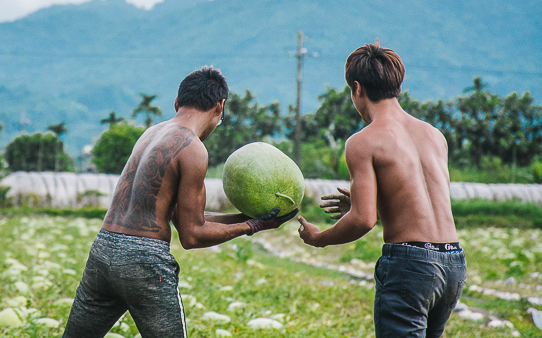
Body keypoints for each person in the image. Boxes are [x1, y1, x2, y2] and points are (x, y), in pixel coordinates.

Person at [62, 66, 297, 338]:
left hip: (103, 252)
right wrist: (252, 227)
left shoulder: (150, 134)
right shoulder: (193, 149)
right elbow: (192, 235)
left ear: (177, 102)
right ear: (219, 106)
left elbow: (181, 216)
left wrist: (249, 219)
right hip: (144, 263)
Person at [297, 41, 466, 338]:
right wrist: (374, 206)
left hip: (410, 267)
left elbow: (363, 221)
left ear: (357, 89)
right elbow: (421, 209)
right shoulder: (434, 135)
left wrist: (319, 238)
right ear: (397, 85)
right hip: (453, 261)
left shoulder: (363, 141)